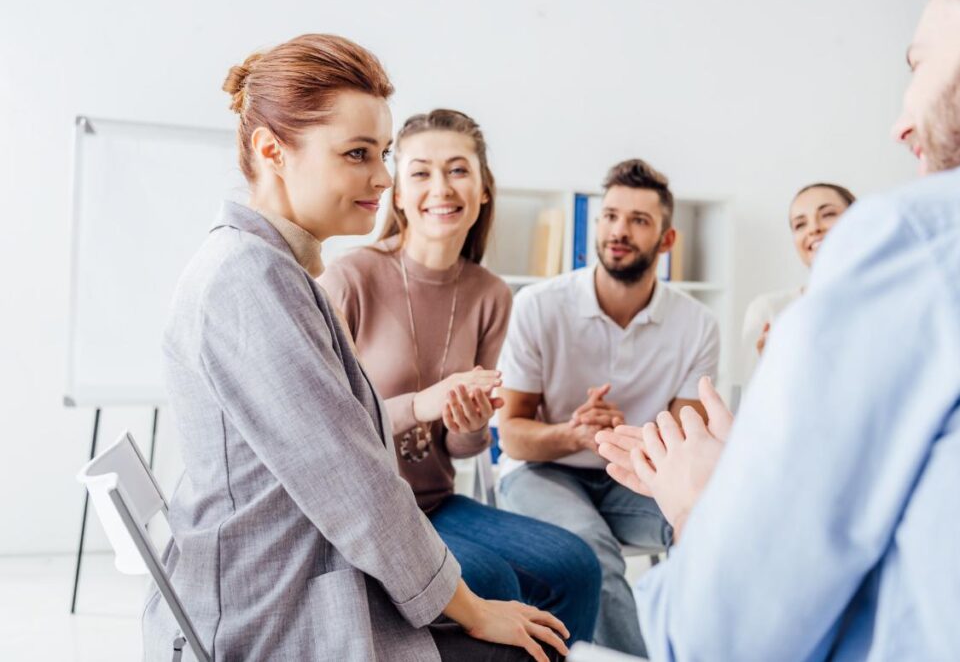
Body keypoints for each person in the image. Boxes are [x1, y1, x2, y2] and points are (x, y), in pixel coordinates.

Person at [596, 0, 960, 658]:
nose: (902, 123)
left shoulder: (919, 238)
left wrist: (704, 499)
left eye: (919, 64)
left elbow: (725, 638)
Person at [144, 34, 569, 662]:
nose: (384, 177)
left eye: (383, 153)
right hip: (273, 609)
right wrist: (474, 610)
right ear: (271, 151)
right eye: (357, 154)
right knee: (530, 649)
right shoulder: (249, 279)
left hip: (303, 564)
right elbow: (353, 485)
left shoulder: (272, 268)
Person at [318, 108, 601, 646]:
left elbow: (464, 447)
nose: (441, 188)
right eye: (421, 172)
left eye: (458, 170)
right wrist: (422, 404)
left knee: (576, 564)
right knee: (492, 581)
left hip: (435, 503)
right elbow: (327, 427)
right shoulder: (351, 278)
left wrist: (468, 424)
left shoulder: (490, 294)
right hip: (368, 511)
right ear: (399, 194)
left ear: (483, 189)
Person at [496, 159, 720, 657]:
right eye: (611, 216)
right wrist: (573, 435)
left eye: (639, 220)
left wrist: (625, 442)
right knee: (590, 553)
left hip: (636, 474)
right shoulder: (538, 305)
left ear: (667, 240)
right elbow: (511, 435)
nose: (619, 230)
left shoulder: (697, 324)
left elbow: (687, 447)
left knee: (717, 521)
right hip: (542, 471)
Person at [740, 183, 855, 364]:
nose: (814, 228)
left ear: (859, 219)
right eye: (800, 224)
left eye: (828, 214)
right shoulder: (768, 311)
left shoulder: (889, 302)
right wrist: (774, 367)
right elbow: (748, 381)